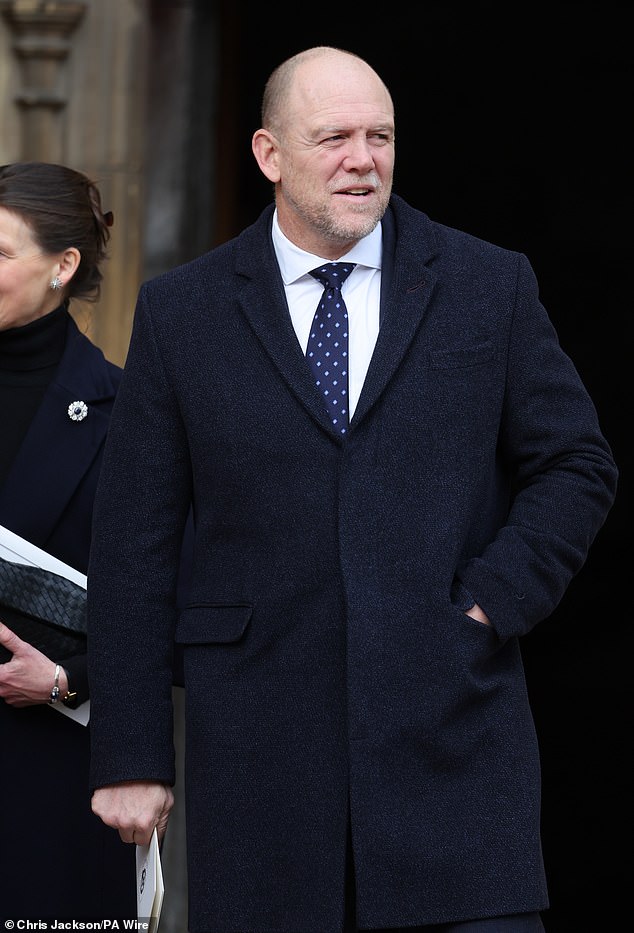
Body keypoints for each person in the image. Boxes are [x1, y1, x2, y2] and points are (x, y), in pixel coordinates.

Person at [87, 47, 618, 933]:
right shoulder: (183, 311)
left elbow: (579, 463)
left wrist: (491, 599)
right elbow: (134, 536)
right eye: (333, 137)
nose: (362, 159)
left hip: (454, 753)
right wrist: (131, 750)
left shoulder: (490, 285)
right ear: (268, 154)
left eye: (380, 137)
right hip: (258, 766)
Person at [0, 161, 137, 920]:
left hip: (44, 783)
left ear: (63, 265)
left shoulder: (129, 417)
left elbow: (175, 609)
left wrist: (61, 677)